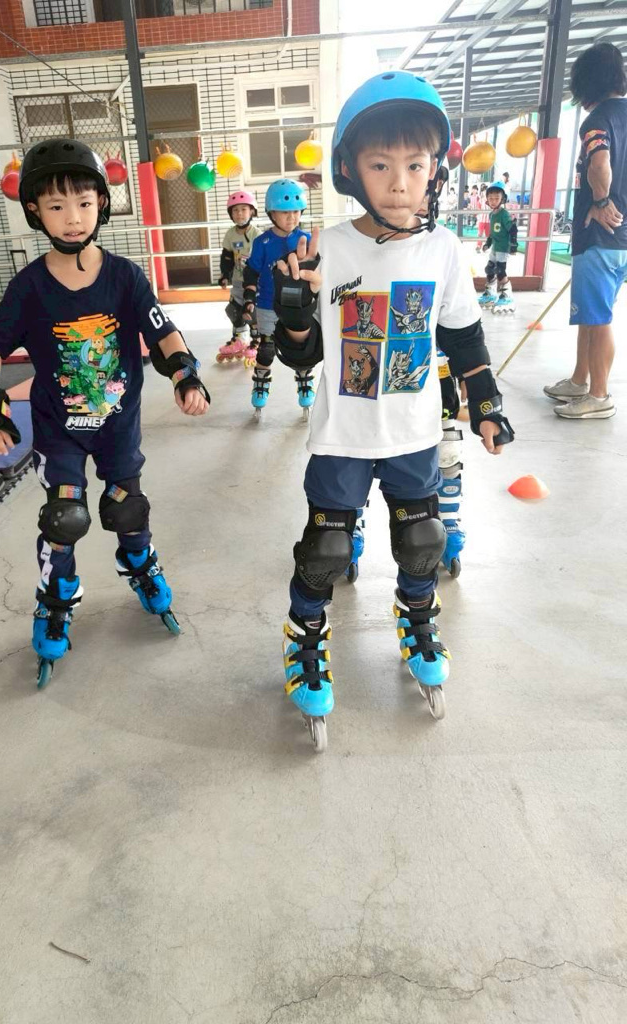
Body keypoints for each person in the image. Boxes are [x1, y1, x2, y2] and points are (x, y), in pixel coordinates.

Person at [270, 71, 514, 748]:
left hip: (412, 432)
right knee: (325, 548)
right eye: (381, 165)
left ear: (435, 170)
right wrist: (295, 314)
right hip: (343, 436)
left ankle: (417, 615)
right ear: (351, 169)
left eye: (414, 165)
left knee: (422, 540)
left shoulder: (443, 250)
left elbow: (464, 337)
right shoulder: (325, 246)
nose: (400, 182)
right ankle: (304, 634)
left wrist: (486, 403)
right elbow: (301, 355)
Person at [0, 139, 210, 686]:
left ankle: (140, 564)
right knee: (64, 518)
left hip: (117, 427)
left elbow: (163, 332)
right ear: (35, 211)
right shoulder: (30, 286)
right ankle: (56, 597)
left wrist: (185, 375)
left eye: (84, 204)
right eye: (57, 206)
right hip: (59, 430)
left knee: (128, 509)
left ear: (102, 205)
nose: (73, 218)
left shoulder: (125, 277)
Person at [544, 42, 627, 419]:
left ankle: (599, 395)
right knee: (591, 313)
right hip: (620, 239)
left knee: (598, 318)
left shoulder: (597, 120)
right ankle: (580, 379)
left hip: (600, 235)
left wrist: (601, 200)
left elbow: (600, 163)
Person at [242, 179, 314, 419]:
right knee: (266, 349)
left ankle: (305, 382)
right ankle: (260, 385)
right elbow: (251, 271)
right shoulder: (262, 242)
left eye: (296, 211)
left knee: (302, 348)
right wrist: (249, 298)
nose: (291, 217)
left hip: (298, 307)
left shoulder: (306, 240)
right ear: (271, 213)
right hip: (268, 305)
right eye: (284, 212)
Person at [216, 190, 260, 366]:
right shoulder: (230, 234)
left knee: (251, 311)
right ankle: (240, 339)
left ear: (252, 211)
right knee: (233, 310)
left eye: (243, 209)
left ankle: (257, 341)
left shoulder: (257, 235)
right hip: (237, 280)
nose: (239, 213)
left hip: (254, 282)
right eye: (235, 210)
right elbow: (227, 257)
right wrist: (224, 275)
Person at [478, 180, 519, 313]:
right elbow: (492, 233)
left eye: (496, 198)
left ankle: (507, 296)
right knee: (490, 269)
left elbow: (512, 229)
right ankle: (490, 293)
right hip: (495, 247)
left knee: (500, 271)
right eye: (491, 198)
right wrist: (487, 244)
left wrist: (513, 245)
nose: (493, 201)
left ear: (503, 199)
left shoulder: (504, 214)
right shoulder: (492, 214)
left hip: (502, 248)